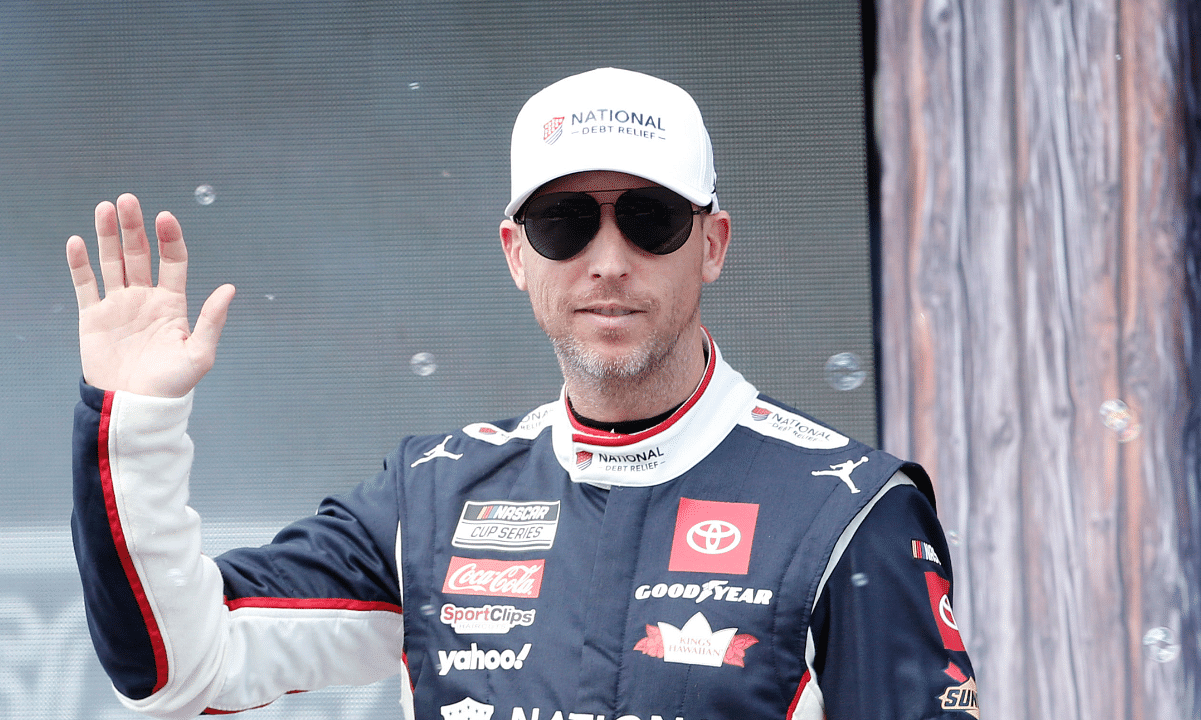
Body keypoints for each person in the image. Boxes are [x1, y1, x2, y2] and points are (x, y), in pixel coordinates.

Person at [68, 68, 978, 720]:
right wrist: (134, 427)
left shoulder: (850, 509)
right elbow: (178, 669)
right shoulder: (431, 499)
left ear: (713, 243)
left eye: (652, 219)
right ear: (516, 253)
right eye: (565, 222)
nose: (609, 261)